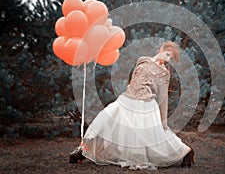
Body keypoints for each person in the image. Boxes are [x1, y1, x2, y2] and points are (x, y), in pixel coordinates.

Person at [69, 41, 194, 170]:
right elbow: (134, 79)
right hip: (127, 99)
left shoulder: (164, 73)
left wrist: (163, 121)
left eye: (170, 58)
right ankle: (84, 151)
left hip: (145, 104)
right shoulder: (143, 61)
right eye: (167, 54)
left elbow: (163, 98)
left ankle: (186, 152)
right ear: (161, 49)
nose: (168, 59)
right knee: (106, 120)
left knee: (152, 139)